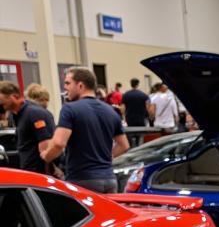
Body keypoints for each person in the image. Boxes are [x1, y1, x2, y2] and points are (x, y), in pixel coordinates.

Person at [41, 65, 127, 193]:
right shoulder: (111, 111)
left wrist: (47, 156)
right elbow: (124, 145)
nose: (65, 87)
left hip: (82, 180)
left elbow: (59, 143)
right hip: (109, 179)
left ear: (80, 86)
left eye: (68, 83)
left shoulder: (70, 109)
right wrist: (106, 158)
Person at [0, 81, 56, 175]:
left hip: (39, 174)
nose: (1, 104)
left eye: (1, 100)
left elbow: (46, 146)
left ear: (14, 97)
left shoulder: (34, 113)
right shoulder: (16, 115)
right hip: (28, 172)